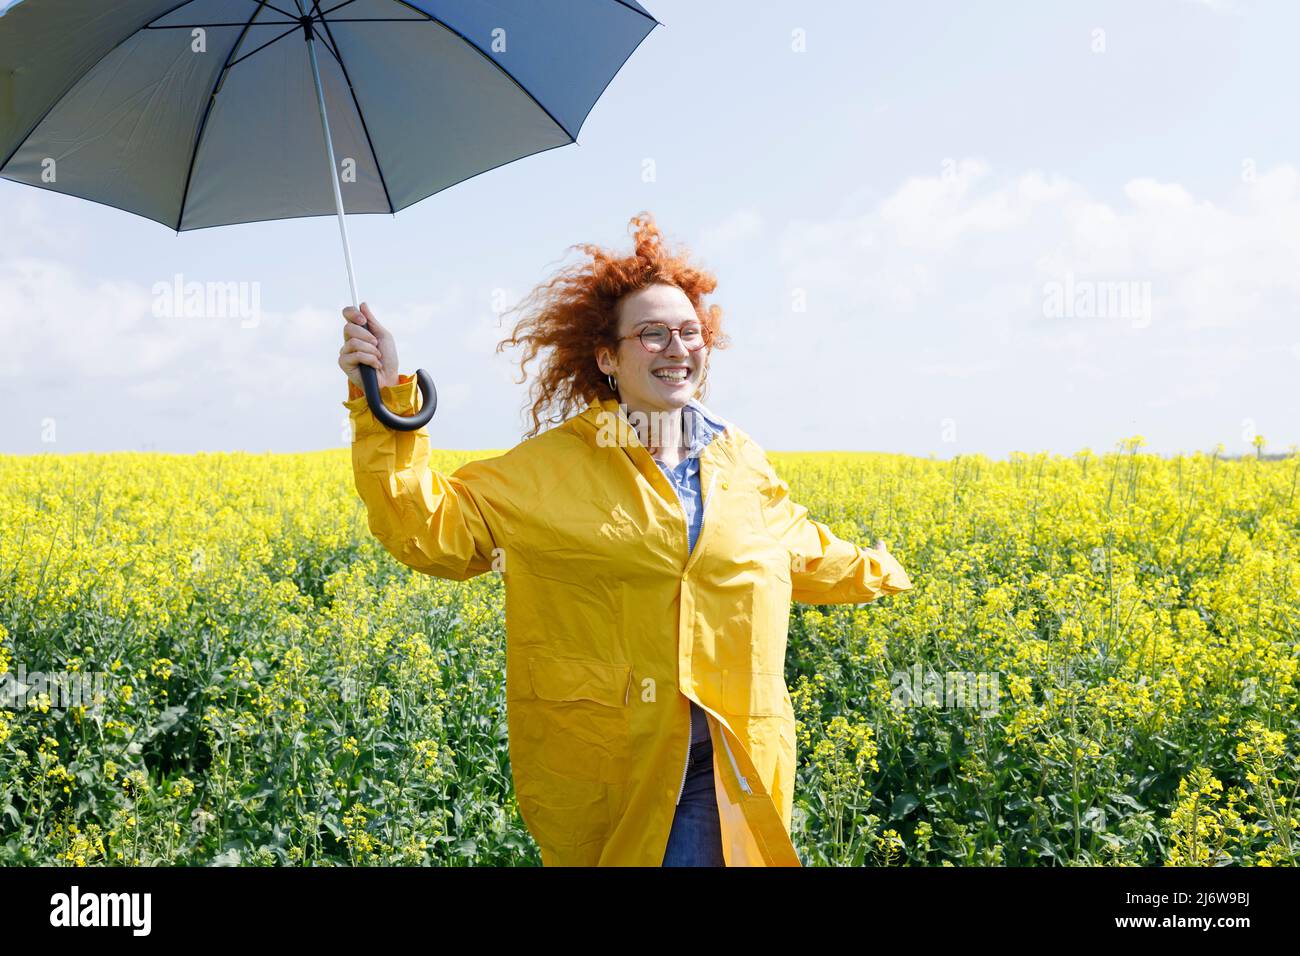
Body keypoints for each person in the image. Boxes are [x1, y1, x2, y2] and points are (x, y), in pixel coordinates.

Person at [337, 212, 914, 866]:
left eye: (690, 331)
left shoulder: (739, 459)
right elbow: (425, 527)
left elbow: (794, 548)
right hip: (621, 771)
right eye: (652, 334)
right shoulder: (550, 471)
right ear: (607, 358)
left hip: (734, 763)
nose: (676, 346)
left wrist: (886, 570)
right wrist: (382, 396)